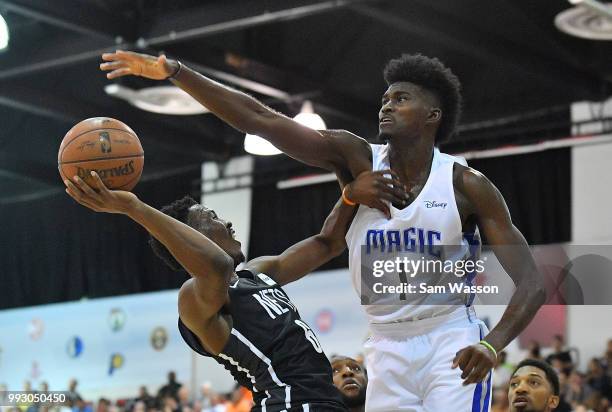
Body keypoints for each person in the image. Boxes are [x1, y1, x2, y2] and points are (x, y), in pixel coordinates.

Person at [100, 49, 547, 412]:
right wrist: (178, 72)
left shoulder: (466, 186)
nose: (386, 105)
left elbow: (532, 282)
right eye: (385, 98)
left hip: (450, 336)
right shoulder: (355, 158)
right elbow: (262, 120)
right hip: (385, 344)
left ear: (433, 115)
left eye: (401, 99)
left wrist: (492, 344)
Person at [63, 170, 392, 411]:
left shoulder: (257, 273)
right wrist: (134, 207)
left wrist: (349, 194)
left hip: (321, 403)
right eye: (213, 218)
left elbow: (327, 243)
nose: (228, 223)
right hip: (290, 404)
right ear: (191, 238)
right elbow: (216, 266)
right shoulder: (193, 301)